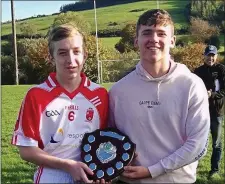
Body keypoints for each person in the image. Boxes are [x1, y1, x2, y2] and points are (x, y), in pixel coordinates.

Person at [108, 9, 210, 183]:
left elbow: (198, 144)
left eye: (161, 34)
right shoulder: (118, 90)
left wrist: (152, 170)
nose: (154, 39)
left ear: (172, 41)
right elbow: (110, 138)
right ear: (136, 41)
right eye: (147, 33)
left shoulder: (192, 85)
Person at [11, 24, 109, 183]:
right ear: (51, 57)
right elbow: (26, 150)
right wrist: (68, 165)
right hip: (51, 175)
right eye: (62, 53)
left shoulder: (100, 94)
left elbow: (105, 140)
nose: (71, 60)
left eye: (76, 51)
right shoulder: (36, 95)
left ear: (85, 55)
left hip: (89, 175)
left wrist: (103, 170)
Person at [194, 45, 225, 179]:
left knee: (216, 143)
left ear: (216, 56)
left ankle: (214, 169)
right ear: (204, 55)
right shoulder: (197, 71)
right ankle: (193, 167)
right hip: (201, 112)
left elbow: (223, 91)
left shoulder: (222, 70)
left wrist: (212, 94)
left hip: (217, 112)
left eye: (213, 55)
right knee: (198, 141)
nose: (210, 58)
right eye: (208, 55)